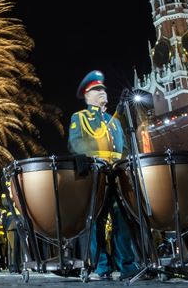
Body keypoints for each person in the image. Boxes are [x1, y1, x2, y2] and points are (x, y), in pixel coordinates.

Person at [68, 70, 139, 281]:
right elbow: (76, 143)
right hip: (96, 175)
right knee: (96, 220)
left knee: (123, 221)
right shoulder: (79, 117)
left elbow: (124, 147)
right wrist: (94, 162)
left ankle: (127, 265)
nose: (102, 93)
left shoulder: (114, 120)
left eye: (103, 90)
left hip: (117, 174)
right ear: (87, 96)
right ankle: (101, 267)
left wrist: (124, 165)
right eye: (96, 90)